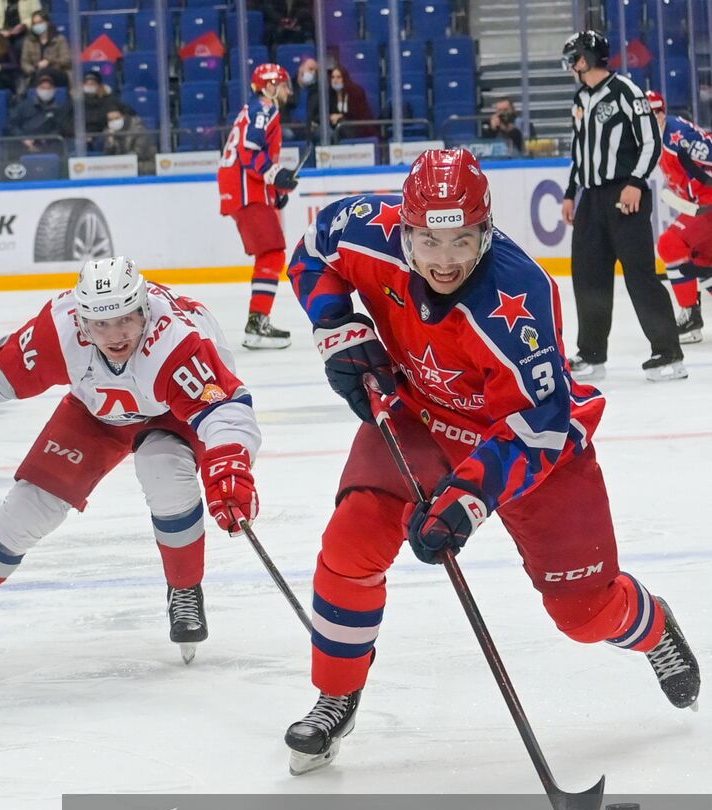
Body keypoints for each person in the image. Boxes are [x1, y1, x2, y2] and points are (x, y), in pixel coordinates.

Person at [282, 147, 700, 775]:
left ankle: (650, 624)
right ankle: (336, 692)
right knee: (350, 544)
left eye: (462, 240)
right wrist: (339, 326)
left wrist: (469, 499)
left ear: (486, 231)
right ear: (404, 229)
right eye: (427, 240)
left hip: (527, 442)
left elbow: (541, 423)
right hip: (421, 416)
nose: (443, 259)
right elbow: (311, 251)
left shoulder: (520, 295)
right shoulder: (365, 228)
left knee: (585, 616)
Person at [0, 257, 261, 667]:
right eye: (100, 323)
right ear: (81, 321)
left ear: (145, 310)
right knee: (29, 506)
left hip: (173, 413)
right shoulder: (58, 332)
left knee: (163, 470)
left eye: (126, 320)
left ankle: (184, 589)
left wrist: (230, 462)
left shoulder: (178, 342)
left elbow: (227, 411)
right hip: (95, 412)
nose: (115, 335)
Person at [560, 30, 684, 383]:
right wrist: (571, 193)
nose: (570, 65)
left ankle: (667, 353)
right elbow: (578, 152)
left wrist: (635, 183)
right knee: (588, 276)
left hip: (625, 196)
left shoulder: (627, 92)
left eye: (573, 58)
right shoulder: (580, 98)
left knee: (640, 275)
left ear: (585, 59)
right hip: (591, 199)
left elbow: (650, 142)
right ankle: (591, 353)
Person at [218, 62, 299, 349]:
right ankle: (257, 324)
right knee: (272, 254)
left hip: (245, 191)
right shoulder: (266, 106)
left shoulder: (253, 108)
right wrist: (276, 175)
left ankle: (258, 321)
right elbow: (250, 151)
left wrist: (275, 189)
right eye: (283, 83)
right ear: (269, 86)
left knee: (272, 254)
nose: (287, 90)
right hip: (246, 192)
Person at [646, 89, 712, 345]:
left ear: (661, 113)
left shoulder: (677, 136)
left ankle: (690, 318)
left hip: (709, 204)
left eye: (650, 114)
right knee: (702, 260)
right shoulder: (659, 137)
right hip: (703, 203)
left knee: (670, 244)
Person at [308, 64, 377, 141]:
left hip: (357, 128)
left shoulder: (356, 92)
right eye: (333, 77)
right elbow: (316, 115)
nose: (335, 80)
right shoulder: (329, 94)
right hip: (336, 130)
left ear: (344, 78)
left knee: (342, 127)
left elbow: (360, 114)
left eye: (338, 77)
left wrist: (341, 116)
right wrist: (330, 117)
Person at [5, 70, 69, 152]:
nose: (46, 91)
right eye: (43, 88)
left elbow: (60, 129)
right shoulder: (24, 106)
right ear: (36, 90)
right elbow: (12, 125)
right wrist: (24, 139)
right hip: (23, 146)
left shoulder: (59, 109)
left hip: (50, 147)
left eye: (48, 88)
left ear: (54, 90)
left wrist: (42, 142)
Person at [19, 10, 71, 91]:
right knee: (39, 74)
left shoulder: (59, 39)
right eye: (35, 23)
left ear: (47, 22)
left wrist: (49, 62)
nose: (37, 25)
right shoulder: (29, 41)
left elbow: (67, 59)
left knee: (45, 72)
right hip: (36, 74)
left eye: (40, 22)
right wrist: (34, 69)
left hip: (58, 73)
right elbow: (24, 63)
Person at [100, 107, 156, 174]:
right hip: (120, 167)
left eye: (117, 118)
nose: (114, 121)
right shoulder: (109, 131)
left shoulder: (139, 128)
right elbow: (108, 155)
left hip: (143, 164)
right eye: (110, 120)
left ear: (123, 117)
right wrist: (110, 140)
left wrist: (120, 163)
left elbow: (139, 153)